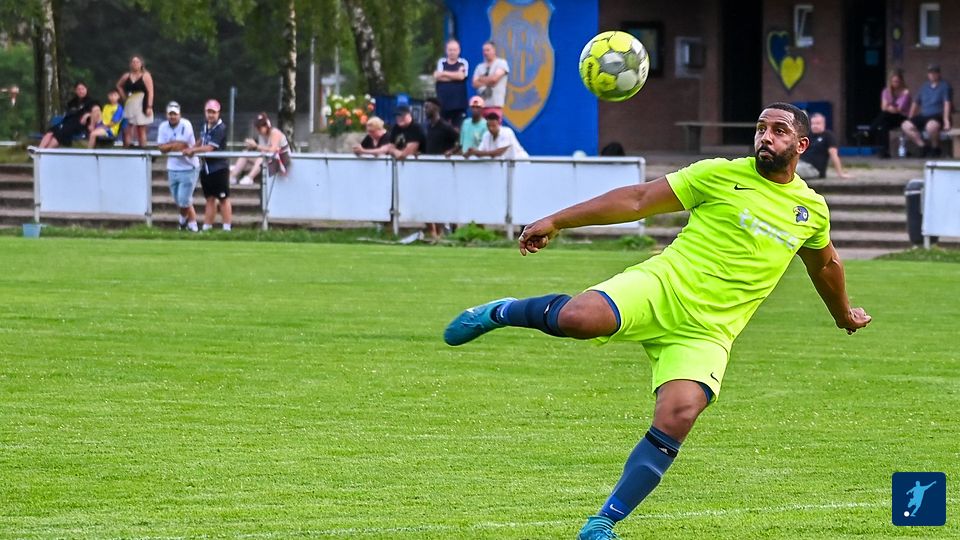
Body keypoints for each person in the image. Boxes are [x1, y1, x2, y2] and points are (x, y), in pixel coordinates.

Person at [443, 102, 872, 540]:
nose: (766, 136)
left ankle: (603, 522)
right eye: (761, 128)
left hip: (708, 331)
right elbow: (639, 199)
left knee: (680, 413)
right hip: (661, 287)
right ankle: (502, 311)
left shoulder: (810, 210)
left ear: (801, 145)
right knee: (577, 318)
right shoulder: (718, 173)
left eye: (778, 130)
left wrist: (844, 314)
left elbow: (825, 265)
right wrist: (557, 221)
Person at [184, 99, 232, 231]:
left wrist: (193, 151)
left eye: (213, 112)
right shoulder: (205, 125)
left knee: (223, 198)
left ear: (218, 113)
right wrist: (192, 147)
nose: (211, 115)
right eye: (209, 112)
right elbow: (202, 140)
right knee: (210, 199)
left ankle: (227, 228)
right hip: (206, 168)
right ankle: (207, 227)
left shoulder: (220, 128)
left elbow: (210, 147)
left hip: (219, 168)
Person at [156, 101, 199, 232]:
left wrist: (169, 145)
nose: (172, 116)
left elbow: (182, 145)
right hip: (173, 167)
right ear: (167, 115)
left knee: (183, 199)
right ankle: (192, 224)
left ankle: (183, 222)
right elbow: (161, 148)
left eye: (175, 114)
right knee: (180, 200)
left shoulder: (186, 124)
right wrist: (172, 145)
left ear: (179, 114)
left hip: (188, 167)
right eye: (170, 114)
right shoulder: (163, 126)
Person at [901, 64, 953, 157]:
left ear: (939, 74)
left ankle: (935, 148)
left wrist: (946, 120)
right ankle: (923, 147)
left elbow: (947, 103)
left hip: (938, 115)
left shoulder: (945, 86)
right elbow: (915, 103)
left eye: (934, 73)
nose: (932, 75)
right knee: (905, 125)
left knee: (930, 127)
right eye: (930, 73)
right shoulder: (924, 86)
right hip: (924, 115)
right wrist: (910, 117)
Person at [38, 81, 96, 149]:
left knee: (59, 134)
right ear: (76, 91)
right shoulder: (72, 102)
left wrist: (88, 115)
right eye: (79, 89)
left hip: (79, 126)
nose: (81, 91)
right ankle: (39, 150)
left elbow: (97, 113)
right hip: (67, 123)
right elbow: (68, 114)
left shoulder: (92, 102)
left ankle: (46, 152)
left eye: (82, 89)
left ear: (86, 89)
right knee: (50, 132)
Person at [868, 69, 911, 158]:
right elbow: (883, 107)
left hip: (901, 118)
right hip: (889, 117)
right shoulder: (886, 91)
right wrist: (890, 108)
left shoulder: (905, 92)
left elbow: (899, 109)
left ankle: (871, 129)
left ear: (901, 81)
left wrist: (889, 107)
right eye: (893, 81)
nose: (895, 84)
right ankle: (884, 151)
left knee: (884, 116)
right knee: (883, 125)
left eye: (897, 81)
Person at [795, 113, 852, 179]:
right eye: (813, 123)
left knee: (791, 170)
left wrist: (840, 173)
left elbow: (834, 155)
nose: (815, 126)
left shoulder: (828, 136)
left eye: (818, 123)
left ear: (823, 124)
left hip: (813, 169)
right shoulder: (807, 135)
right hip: (800, 162)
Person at [116, 55, 155, 148]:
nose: (135, 64)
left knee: (141, 128)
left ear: (141, 64)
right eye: (133, 62)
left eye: (137, 62)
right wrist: (124, 97)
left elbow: (151, 91)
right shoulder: (127, 76)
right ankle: (127, 147)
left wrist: (149, 106)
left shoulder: (146, 75)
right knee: (127, 127)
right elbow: (119, 85)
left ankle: (143, 148)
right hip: (130, 102)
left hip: (142, 102)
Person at [241, 112, 292, 181]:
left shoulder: (275, 133)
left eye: (261, 126)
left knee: (261, 159)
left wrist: (256, 146)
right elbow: (263, 151)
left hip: (283, 162)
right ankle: (232, 176)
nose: (259, 129)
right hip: (270, 161)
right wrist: (251, 147)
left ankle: (249, 178)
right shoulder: (261, 136)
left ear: (267, 125)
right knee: (245, 154)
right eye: (257, 127)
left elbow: (273, 150)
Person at [434, 38, 469, 128]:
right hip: (443, 104)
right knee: (443, 129)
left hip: (459, 105)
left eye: (454, 50)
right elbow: (437, 77)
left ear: (459, 50)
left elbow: (461, 77)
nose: (452, 52)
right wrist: (455, 76)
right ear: (446, 50)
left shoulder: (463, 62)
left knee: (458, 130)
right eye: (450, 50)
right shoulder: (441, 62)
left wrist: (444, 73)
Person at [472, 41, 510, 120]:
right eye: (484, 50)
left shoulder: (501, 63)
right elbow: (474, 84)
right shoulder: (479, 67)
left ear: (494, 50)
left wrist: (481, 79)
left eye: (488, 50)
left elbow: (494, 80)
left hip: (495, 105)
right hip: (481, 106)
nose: (485, 53)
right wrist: (489, 81)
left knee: (493, 127)